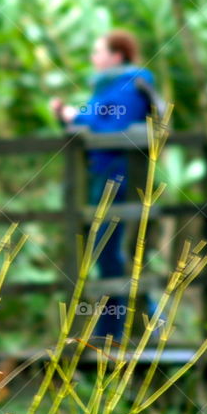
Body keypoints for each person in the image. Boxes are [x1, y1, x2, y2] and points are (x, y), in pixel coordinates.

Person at [49, 30, 162, 340]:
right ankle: (115, 328)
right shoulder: (108, 86)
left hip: (119, 175)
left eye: (98, 51)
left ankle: (148, 319)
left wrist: (77, 117)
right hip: (101, 173)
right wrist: (68, 116)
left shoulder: (132, 85)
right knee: (103, 250)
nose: (93, 58)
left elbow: (111, 126)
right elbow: (93, 118)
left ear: (117, 55)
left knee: (109, 249)